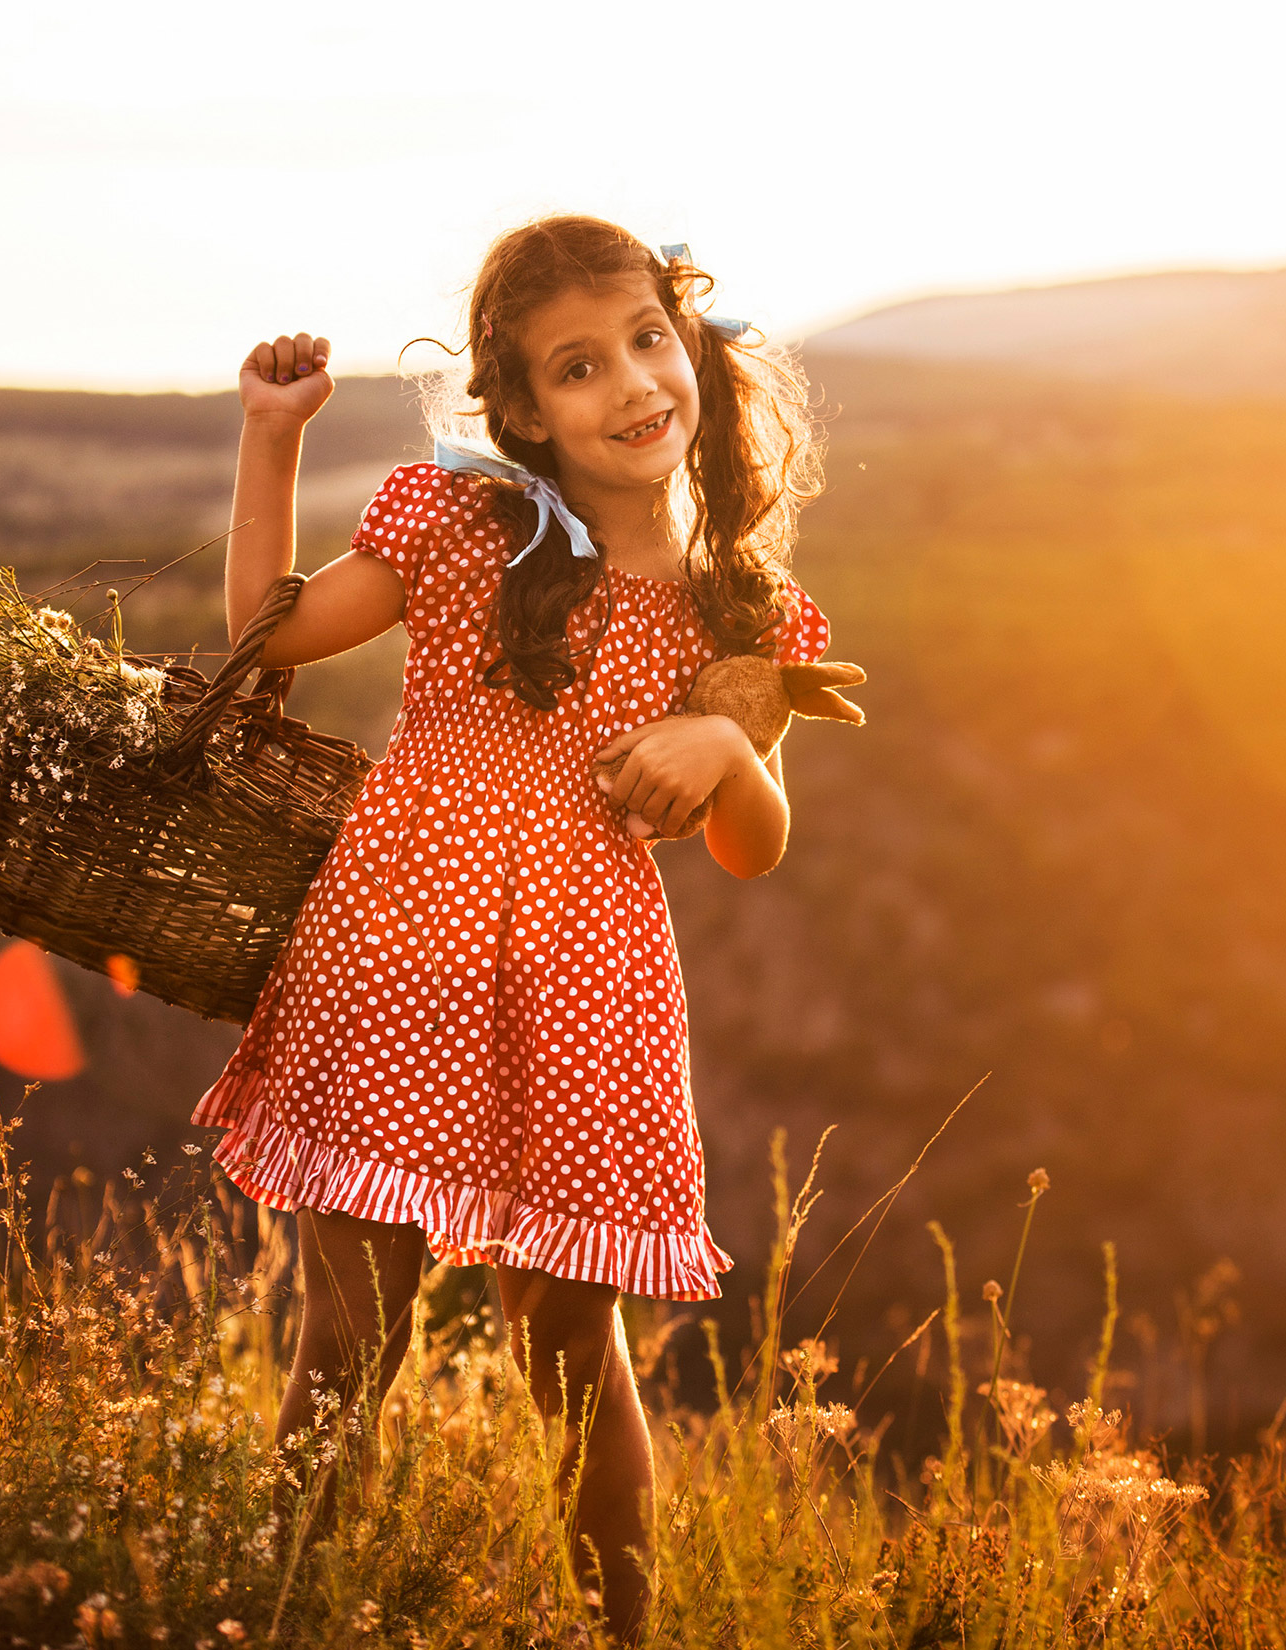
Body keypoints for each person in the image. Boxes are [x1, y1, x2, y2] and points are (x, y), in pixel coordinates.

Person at [192, 214, 830, 1639]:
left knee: (569, 1345)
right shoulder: (463, 529)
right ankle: (281, 1612)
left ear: (692, 351)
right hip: (401, 951)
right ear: (527, 414)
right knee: (351, 1333)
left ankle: (623, 1631)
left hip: (586, 987)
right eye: (580, 367)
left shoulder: (741, 607)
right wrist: (272, 435)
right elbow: (264, 636)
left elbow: (756, 841)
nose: (631, 386)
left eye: (647, 344)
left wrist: (726, 749)